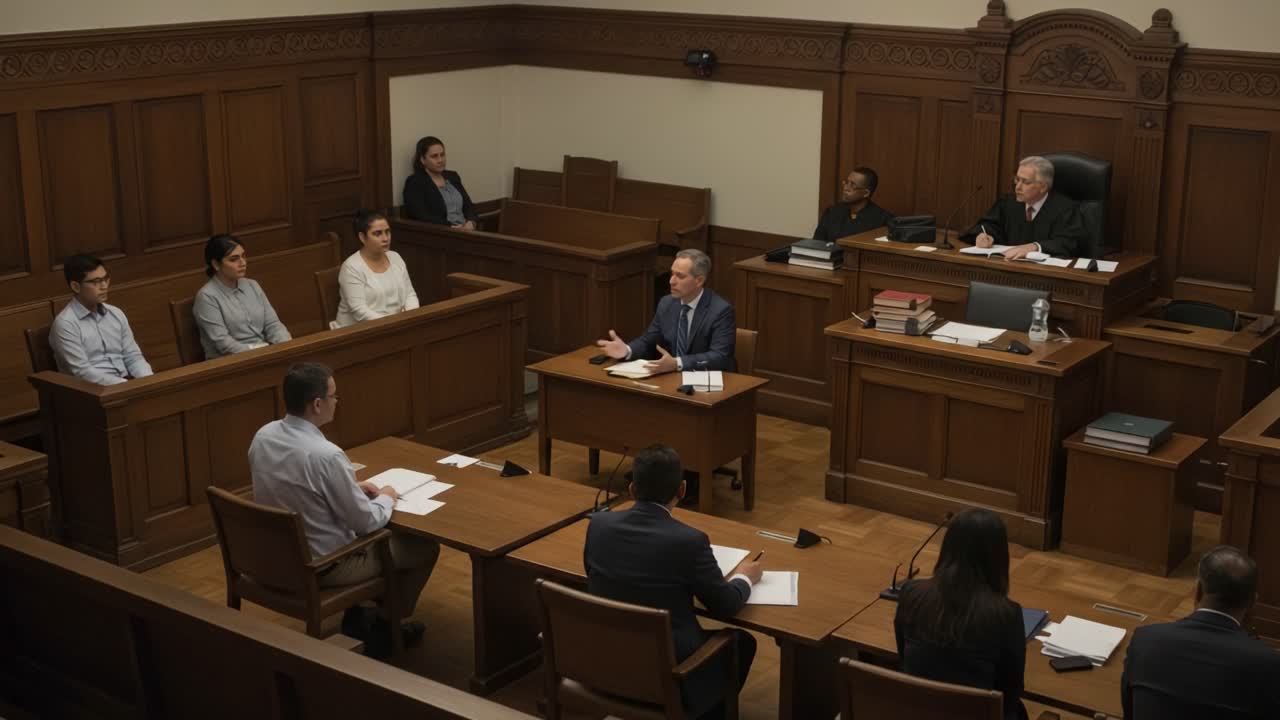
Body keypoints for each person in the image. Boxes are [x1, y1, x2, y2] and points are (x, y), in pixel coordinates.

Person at [248, 363, 440, 657]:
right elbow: (366, 522)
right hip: (322, 567)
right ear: (317, 404)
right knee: (422, 545)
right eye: (334, 396)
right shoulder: (327, 455)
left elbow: (294, 486)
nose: (337, 402)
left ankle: (362, 612)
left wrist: (348, 486)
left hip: (272, 556)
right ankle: (386, 627)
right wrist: (387, 496)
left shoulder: (263, 436)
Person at [584, 444, 762, 719]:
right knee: (743, 642)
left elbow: (592, 574)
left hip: (606, 657)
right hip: (664, 668)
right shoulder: (690, 541)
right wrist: (744, 578)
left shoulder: (598, 525)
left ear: (632, 489)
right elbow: (725, 605)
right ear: (681, 490)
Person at [894, 508, 1027, 720]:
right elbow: (1009, 696)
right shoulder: (1006, 615)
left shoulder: (910, 594)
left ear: (947, 548)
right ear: (999, 558)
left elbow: (904, 660)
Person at [1121, 546, 1280, 719]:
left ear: (1198, 590)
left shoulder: (1145, 639)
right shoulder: (1269, 665)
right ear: (1253, 603)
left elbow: (1129, 711)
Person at [596, 248, 736, 372]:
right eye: (672, 274)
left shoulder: (720, 310)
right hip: (673, 380)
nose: (671, 281)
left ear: (699, 281)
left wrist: (677, 363)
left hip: (707, 382)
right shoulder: (667, 303)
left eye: (680, 276)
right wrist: (627, 350)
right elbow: (649, 341)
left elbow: (719, 357)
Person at [48, 254, 153, 385]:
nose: (104, 286)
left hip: (125, 383)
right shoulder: (66, 324)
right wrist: (126, 387)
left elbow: (133, 357)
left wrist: (148, 382)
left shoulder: (116, 313)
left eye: (105, 279)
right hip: (92, 393)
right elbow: (82, 372)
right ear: (75, 286)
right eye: (96, 282)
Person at [964, 155, 1086, 260]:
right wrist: (982, 235)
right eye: (1017, 180)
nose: (1018, 187)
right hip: (1007, 267)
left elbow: (1069, 243)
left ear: (1043, 187)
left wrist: (1035, 247)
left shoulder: (1066, 209)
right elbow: (989, 226)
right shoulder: (1008, 203)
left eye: (1026, 182)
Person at [193, 234, 291, 360]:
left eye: (243, 256)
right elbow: (223, 344)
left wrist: (286, 346)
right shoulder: (206, 297)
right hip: (229, 363)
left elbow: (273, 324)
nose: (243, 263)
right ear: (216, 264)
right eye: (234, 259)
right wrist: (261, 352)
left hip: (264, 354)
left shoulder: (252, 285)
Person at [333, 209, 420, 329]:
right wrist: (393, 324)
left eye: (387, 232)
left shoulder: (395, 257)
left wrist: (410, 317)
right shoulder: (351, 267)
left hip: (396, 326)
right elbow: (359, 311)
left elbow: (410, 294)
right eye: (377, 233)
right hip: (358, 332)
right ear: (362, 237)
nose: (385, 238)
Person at [402, 136, 478, 229]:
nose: (440, 160)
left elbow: (468, 206)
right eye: (434, 156)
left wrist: (471, 222)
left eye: (442, 155)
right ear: (422, 160)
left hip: (466, 230)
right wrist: (451, 227)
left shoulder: (453, 176)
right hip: (440, 233)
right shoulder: (415, 182)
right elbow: (421, 216)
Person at [813, 166, 894, 241]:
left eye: (852, 185)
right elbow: (817, 243)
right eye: (846, 182)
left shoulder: (882, 220)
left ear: (866, 193)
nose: (846, 188)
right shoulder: (832, 212)